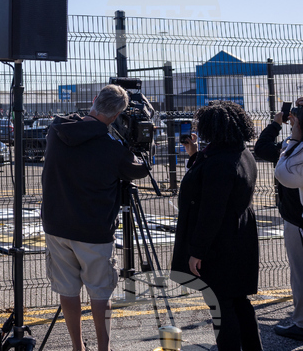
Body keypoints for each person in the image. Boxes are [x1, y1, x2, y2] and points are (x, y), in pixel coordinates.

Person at [41, 84, 149, 351]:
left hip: (56, 224)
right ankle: (104, 347)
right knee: (100, 292)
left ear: (94, 100)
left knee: (67, 289)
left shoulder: (58, 129)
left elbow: (80, 126)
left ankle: (78, 346)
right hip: (93, 231)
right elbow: (140, 169)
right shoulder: (113, 150)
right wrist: (146, 143)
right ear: (116, 116)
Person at [171, 101, 261, 351]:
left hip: (219, 244)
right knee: (238, 301)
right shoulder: (240, 153)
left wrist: (197, 251)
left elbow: (211, 211)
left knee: (222, 306)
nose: (198, 129)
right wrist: (195, 155)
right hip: (239, 236)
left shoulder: (219, 163)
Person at [256, 98, 303, 341]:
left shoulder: (293, 151)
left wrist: (277, 125)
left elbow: (262, 148)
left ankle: (301, 322)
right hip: (296, 217)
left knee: (299, 271)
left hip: (298, 219)